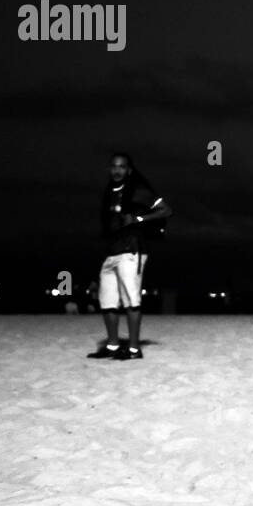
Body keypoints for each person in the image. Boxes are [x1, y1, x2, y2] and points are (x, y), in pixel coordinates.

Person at [88, 152, 172, 360]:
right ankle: (113, 346)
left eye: (122, 167)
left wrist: (138, 218)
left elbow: (166, 210)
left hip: (132, 251)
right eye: (114, 166)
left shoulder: (138, 190)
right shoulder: (110, 192)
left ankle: (134, 349)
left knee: (131, 301)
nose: (117, 170)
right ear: (110, 169)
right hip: (111, 252)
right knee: (107, 302)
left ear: (129, 170)